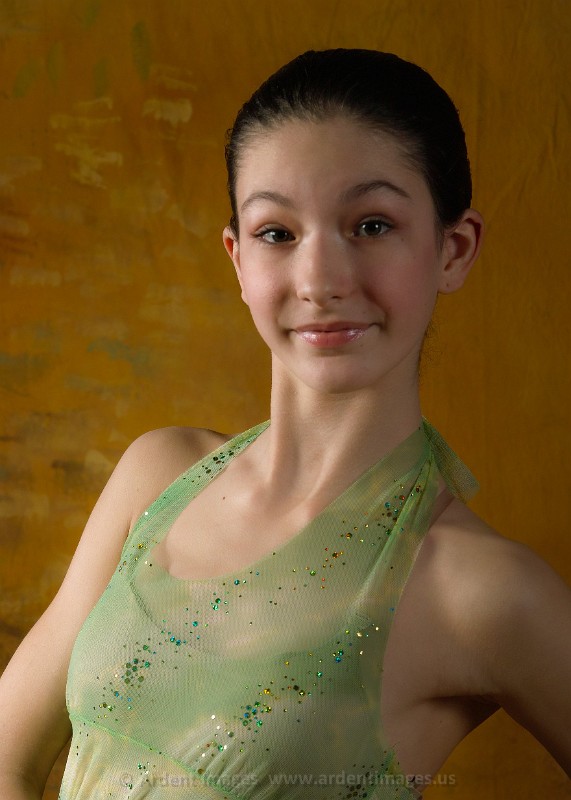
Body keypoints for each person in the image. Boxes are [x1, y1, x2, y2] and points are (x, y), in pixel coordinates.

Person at [0, 49, 570, 800]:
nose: (320, 280)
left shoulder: (477, 589)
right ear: (237, 258)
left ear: (452, 250)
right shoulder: (158, 475)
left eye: (371, 225)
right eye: (277, 232)